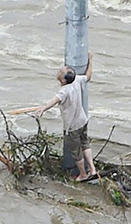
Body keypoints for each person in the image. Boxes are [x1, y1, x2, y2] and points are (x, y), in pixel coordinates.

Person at [32, 52, 96, 182]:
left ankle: (83, 174)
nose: (59, 71)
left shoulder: (64, 91)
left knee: (76, 152)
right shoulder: (77, 80)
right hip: (83, 120)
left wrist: (43, 108)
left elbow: (54, 100)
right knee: (85, 144)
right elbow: (88, 76)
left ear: (63, 80)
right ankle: (93, 169)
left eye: (61, 71)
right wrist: (90, 61)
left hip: (72, 127)